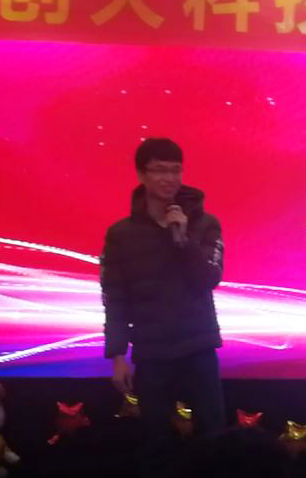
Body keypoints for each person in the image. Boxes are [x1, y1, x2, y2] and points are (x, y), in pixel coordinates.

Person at [100, 138, 225, 478]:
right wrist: (117, 356)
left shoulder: (205, 224)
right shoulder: (121, 234)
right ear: (141, 175)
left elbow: (209, 279)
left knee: (213, 435)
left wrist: (183, 239)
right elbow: (115, 296)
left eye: (175, 170)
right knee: (155, 441)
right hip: (151, 351)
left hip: (198, 345)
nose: (169, 178)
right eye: (159, 170)